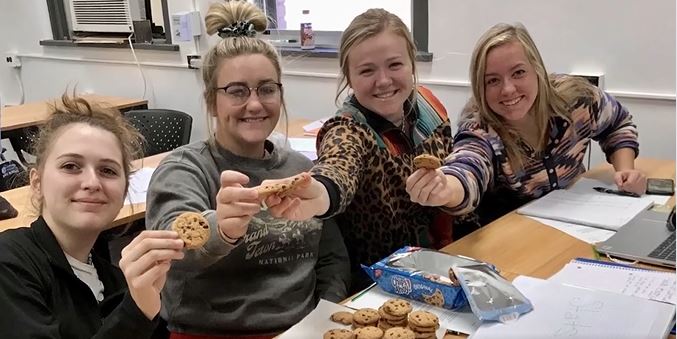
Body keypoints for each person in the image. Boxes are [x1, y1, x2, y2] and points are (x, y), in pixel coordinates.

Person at [144, 1, 350, 337]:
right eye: (236, 91)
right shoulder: (185, 169)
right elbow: (175, 248)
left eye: (267, 89)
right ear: (212, 101)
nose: (254, 104)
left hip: (306, 328)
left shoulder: (298, 168)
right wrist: (221, 228)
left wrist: (326, 314)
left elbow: (331, 258)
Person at [263, 8, 454, 292]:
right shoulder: (347, 129)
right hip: (379, 283)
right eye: (367, 70)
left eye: (395, 65)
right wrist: (320, 194)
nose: (384, 80)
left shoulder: (431, 108)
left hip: (443, 262)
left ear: (412, 64)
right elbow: (337, 169)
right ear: (349, 78)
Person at [406, 22, 645, 227]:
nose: (508, 89)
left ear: (537, 70)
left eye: (518, 73)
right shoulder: (479, 127)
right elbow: (468, 166)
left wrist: (625, 169)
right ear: (481, 87)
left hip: (576, 222)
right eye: (493, 80)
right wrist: (446, 188)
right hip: (513, 241)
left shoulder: (577, 99)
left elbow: (618, 123)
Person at [0, 94, 185, 338]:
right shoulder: (9, 265)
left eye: (107, 170)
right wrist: (136, 311)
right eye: (70, 166)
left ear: (124, 190)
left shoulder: (116, 278)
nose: (92, 182)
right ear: (37, 183)